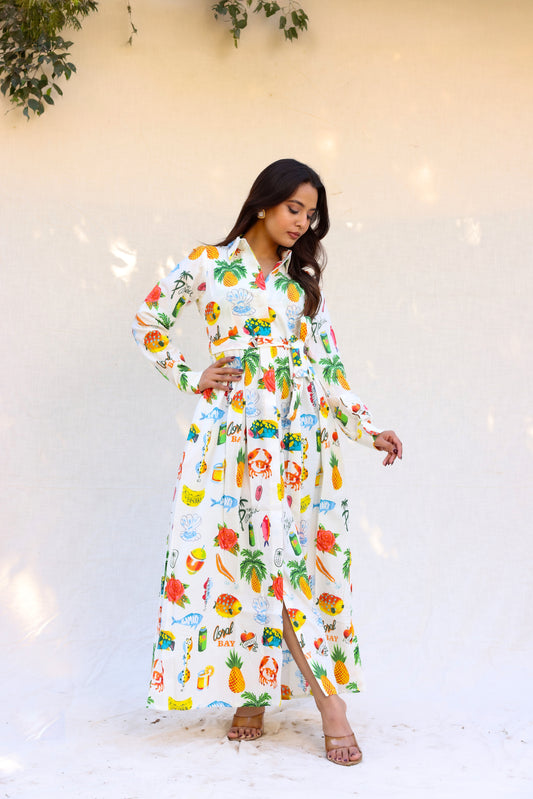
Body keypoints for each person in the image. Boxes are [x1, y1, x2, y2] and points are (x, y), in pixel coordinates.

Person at [132, 158, 402, 766]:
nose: (302, 223)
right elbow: (148, 322)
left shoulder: (301, 284)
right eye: (293, 208)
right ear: (264, 203)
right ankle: (278, 697)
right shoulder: (207, 264)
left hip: (297, 441)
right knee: (246, 562)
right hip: (230, 438)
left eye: (311, 214)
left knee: (287, 564)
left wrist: (368, 430)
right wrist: (191, 375)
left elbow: (328, 369)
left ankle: (301, 701)